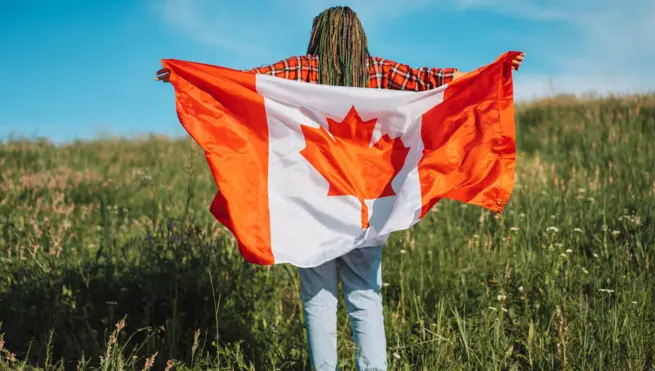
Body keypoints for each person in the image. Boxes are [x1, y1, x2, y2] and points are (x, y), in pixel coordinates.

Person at [157, 6, 524, 370]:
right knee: (365, 296)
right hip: (368, 210)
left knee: (318, 299)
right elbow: (434, 80)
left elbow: (243, 83)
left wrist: (185, 78)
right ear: (358, 35)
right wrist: (492, 73)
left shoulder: (299, 70)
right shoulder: (378, 70)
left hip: (312, 209)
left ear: (319, 36)